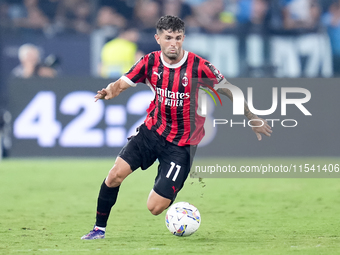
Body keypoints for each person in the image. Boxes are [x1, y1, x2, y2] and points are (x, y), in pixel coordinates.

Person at [81, 15, 272, 240]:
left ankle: (172, 190)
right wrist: (109, 91)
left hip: (181, 144)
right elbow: (121, 84)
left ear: (183, 38)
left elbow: (229, 89)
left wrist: (252, 116)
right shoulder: (149, 62)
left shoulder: (200, 66)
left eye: (178, 38)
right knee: (114, 175)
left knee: (155, 207)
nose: (174, 43)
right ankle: (98, 230)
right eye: (168, 38)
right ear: (158, 38)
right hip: (152, 132)